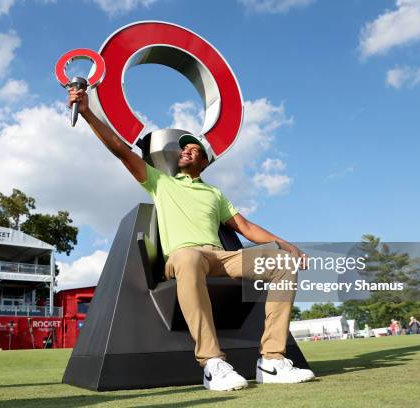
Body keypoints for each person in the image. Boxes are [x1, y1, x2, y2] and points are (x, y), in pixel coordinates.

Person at [68, 87, 315, 391]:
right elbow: (120, 149)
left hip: (220, 258)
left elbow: (246, 228)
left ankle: (272, 361)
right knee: (189, 257)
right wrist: (88, 112)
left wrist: (287, 245)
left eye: (192, 149)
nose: (184, 151)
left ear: (203, 161)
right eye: (182, 149)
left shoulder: (215, 194)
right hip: (183, 258)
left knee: (283, 264)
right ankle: (212, 362)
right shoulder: (161, 182)